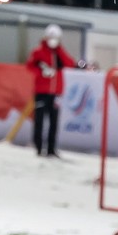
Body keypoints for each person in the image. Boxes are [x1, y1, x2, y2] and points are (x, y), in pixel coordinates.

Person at [25, 23, 85, 158]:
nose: (53, 40)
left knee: (54, 121)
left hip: (56, 93)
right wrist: (41, 71)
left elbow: (69, 63)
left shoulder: (59, 52)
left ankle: (51, 149)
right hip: (41, 92)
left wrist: (59, 50)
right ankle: (39, 147)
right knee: (39, 120)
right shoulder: (38, 52)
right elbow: (29, 66)